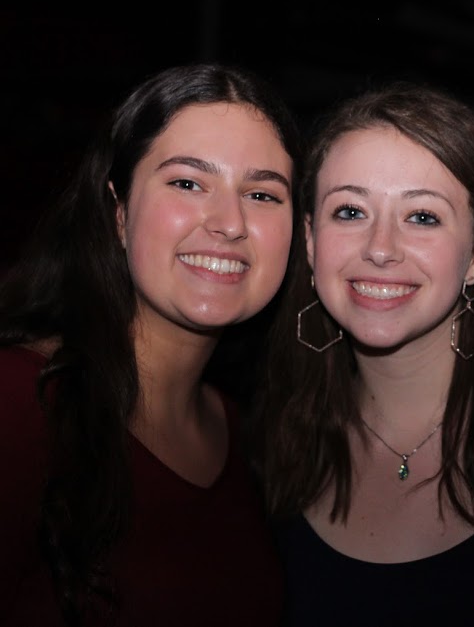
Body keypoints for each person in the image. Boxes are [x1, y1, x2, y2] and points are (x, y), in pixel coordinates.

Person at [255, 82, 474, 626]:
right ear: (309, 242)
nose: (379, 248)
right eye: (349, 212)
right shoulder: (273, 441)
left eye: (421, 217)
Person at [0, 63, 302, 625]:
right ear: (118, 212)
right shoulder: (21, 404)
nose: (229, 222)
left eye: (262, 194)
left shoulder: (249, 436)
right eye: (188, 183)